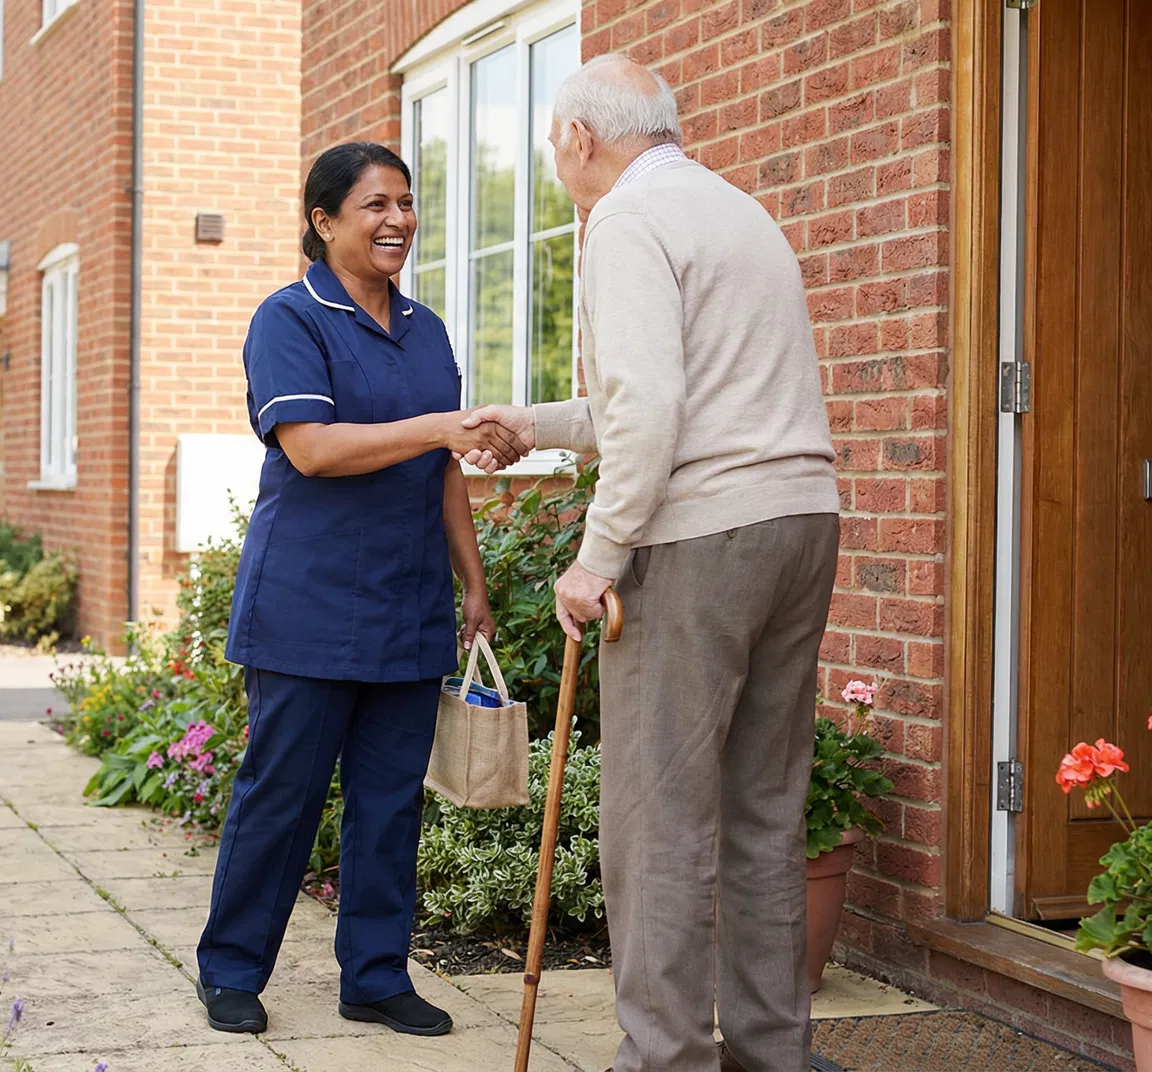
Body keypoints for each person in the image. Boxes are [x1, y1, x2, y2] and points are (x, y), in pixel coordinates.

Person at [464, 55, 841, 1072]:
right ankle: (770, 1054)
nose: (558, 166)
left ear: (581, 139)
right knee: (763, 811)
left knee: (658, 818)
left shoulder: (624, 220)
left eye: (554, 146)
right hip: (802, 522)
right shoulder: (735, 211)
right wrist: (535, 423)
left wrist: (596, 559)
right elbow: (676, 393)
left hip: (700, 541)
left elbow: (653, 412)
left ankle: (665, 1060)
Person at [193, 142, 527, 1038]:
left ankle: (375, 976)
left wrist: (472, 583)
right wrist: (438, 426)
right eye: (376, 204)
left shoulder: (427, 328)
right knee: (282, 796)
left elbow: (444, 467)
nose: (398, 220)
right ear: (324, 220)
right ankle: (231, 970)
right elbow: (311, 448)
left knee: (390, 805)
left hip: (409, 605)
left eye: (406, 203)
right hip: (307, 606)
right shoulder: (290, 319)